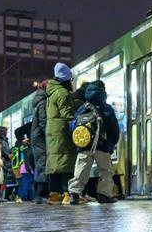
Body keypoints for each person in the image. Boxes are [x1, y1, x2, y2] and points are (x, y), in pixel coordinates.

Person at [67, 80, 120, 205]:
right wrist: (111, 143)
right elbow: (114, 128)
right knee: (106, 171)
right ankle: (103, 194)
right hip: (102, 146)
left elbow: (72, 127)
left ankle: (74, 194)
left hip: (84, 146)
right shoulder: (106, 108)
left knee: (81, 170)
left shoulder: (82, 109)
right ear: (103, 92)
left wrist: (79, 144)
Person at [45, 63, 81, 204]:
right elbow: (67, 113)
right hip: (61, 131)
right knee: (66, 162)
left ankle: (54, 195)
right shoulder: (62, 92)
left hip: (53, 131)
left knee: (55, 164)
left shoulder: (52, 92)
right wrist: (76, 120)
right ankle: (67, 194)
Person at [29, 82, 49, 203]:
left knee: (41, 164)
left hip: (37, 138)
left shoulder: (39, 101)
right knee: (42, 164)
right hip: (41, 138)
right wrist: (49, 135)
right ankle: (40, 195)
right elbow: (43, 122)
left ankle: (40, 194)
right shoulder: (42, 103)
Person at [12, 124, 34, 202]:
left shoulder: (20, 145)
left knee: (26, 182)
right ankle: (23, 196)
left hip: (23, 166)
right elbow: (25, 156)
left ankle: (26, 196)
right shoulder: (25, 145)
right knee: (26, 182)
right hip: (25, 166)